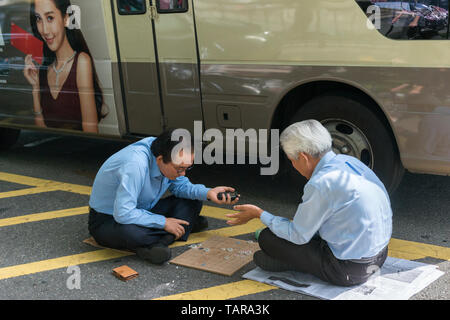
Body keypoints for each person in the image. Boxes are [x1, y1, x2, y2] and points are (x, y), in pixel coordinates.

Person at [226, 120, 392, 287]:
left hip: (349, 270)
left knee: (267, 238)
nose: (292, 165)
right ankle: (300, 262)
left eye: (292, 160)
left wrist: (259, 214)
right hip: (380, 256)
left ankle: (296, 264)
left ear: (304, 157)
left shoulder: (321, 183)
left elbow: (298, 236)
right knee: (298, 228)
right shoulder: (350, 162)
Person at [88, 129, 239, 264]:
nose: (183, 174)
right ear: (160, 160)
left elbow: (181, 186)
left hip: (143, 209)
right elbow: (123, 213)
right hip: (109, 219)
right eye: (180, 169)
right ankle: (171, 234)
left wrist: (208, 193)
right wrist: (163, 222)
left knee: (192, 202)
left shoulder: (166, 151)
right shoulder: (135, 165)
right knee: (133, 234)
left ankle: (160, 240)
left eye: (187, 168)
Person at [23, 0, 104, 133]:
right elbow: (42, 132)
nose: (44, 30)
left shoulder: (81, 62)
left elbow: (91, 130)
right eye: (38, 19)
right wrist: (35, 88)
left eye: (50, 18)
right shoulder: (44, 71)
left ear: (66, 19)